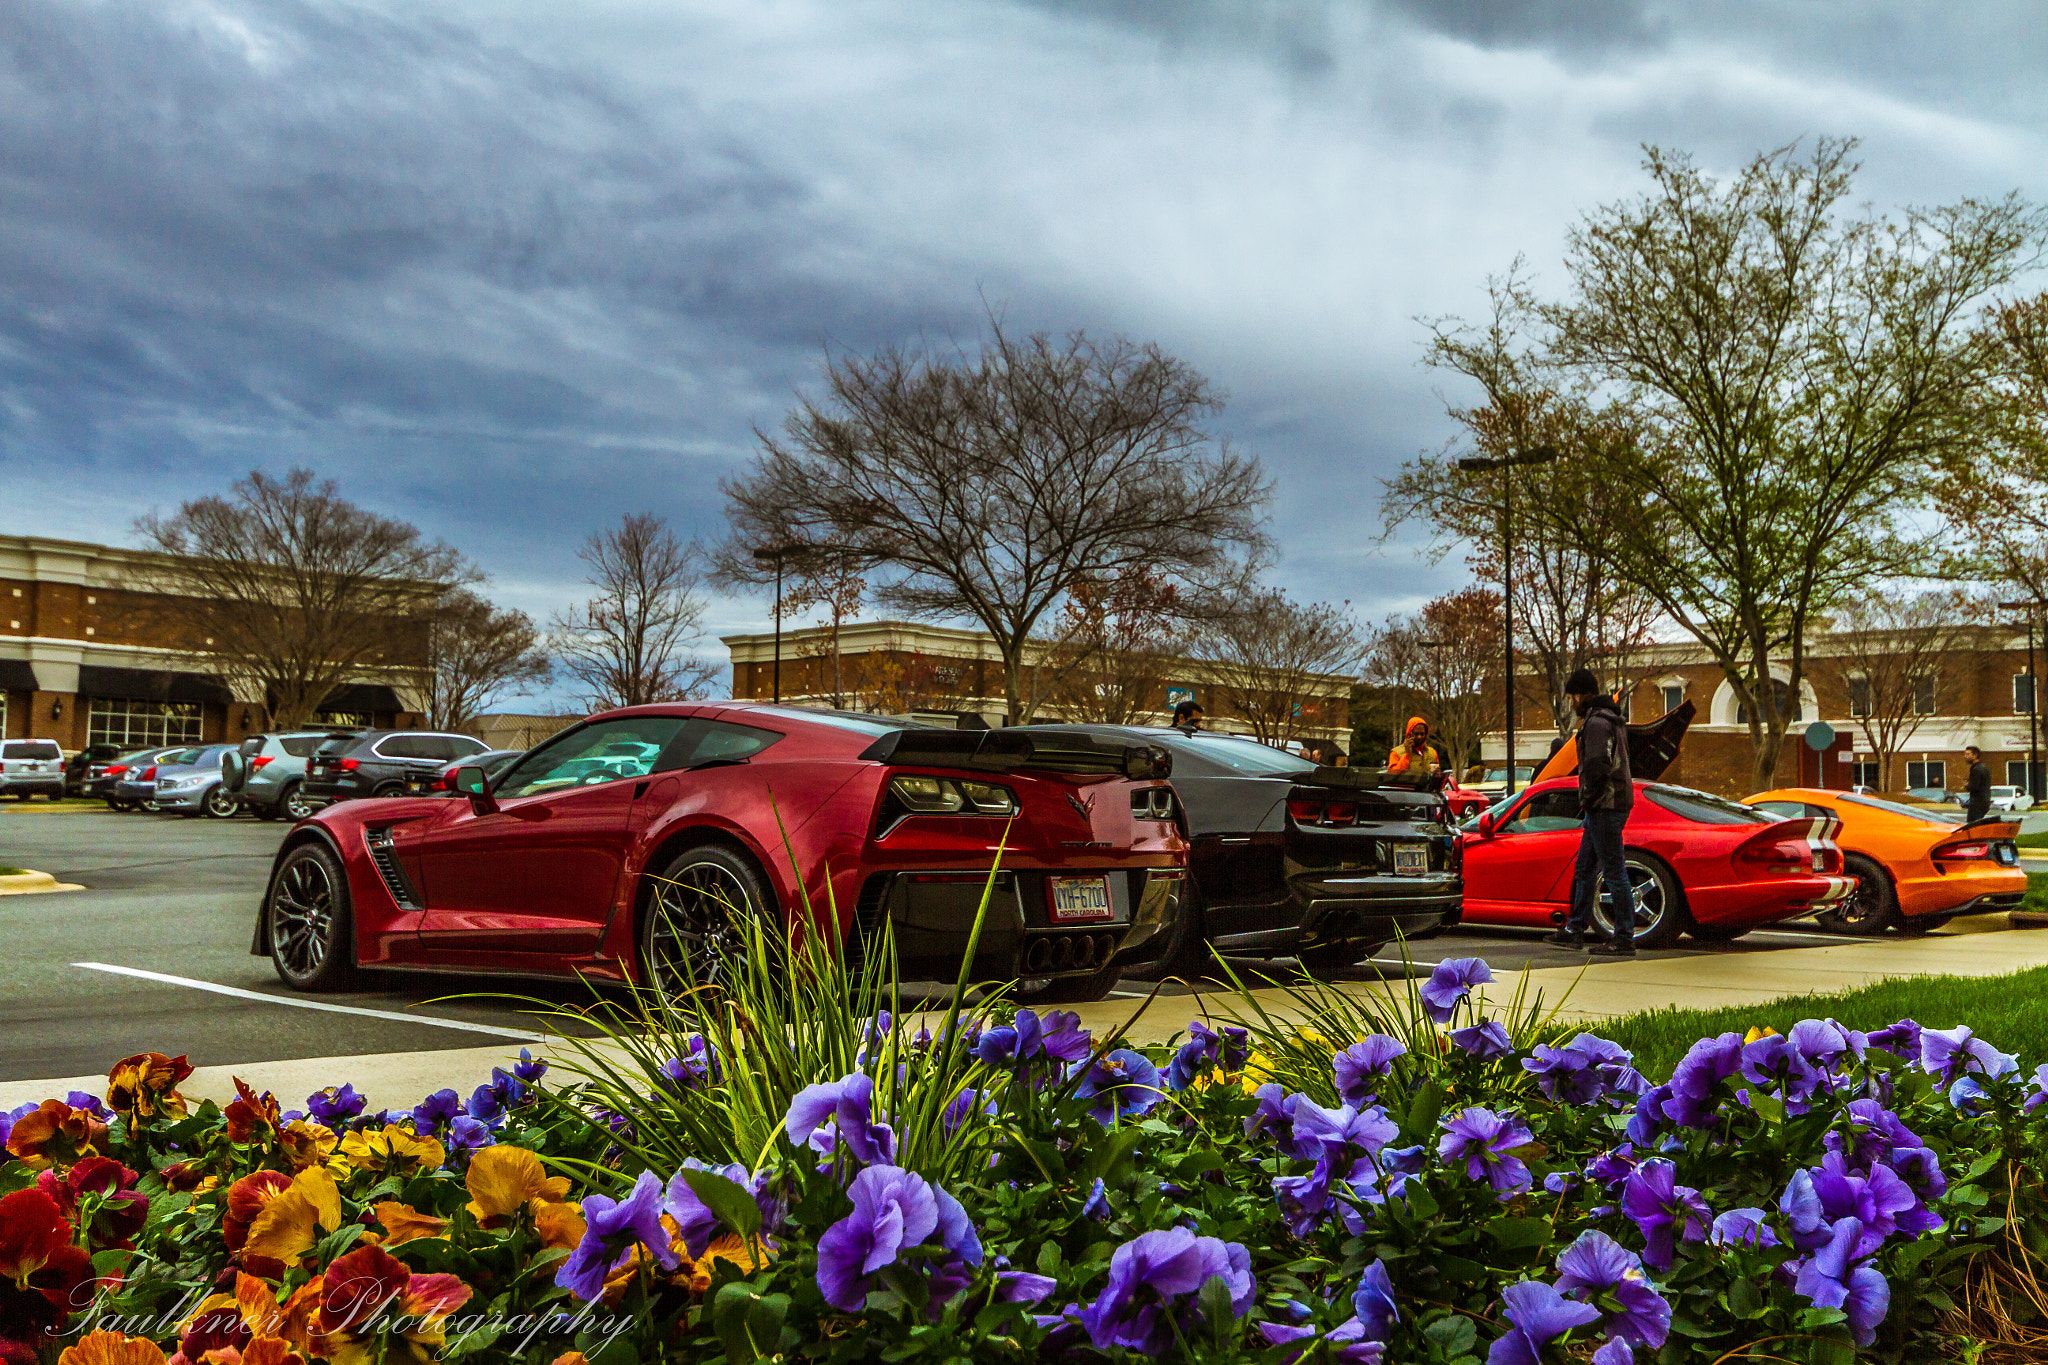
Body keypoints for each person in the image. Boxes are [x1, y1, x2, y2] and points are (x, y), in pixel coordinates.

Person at [1547, 669, 1637, 956]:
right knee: (1584, 868)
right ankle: (1575, 928)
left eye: (1572, 696)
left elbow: (1597, 765)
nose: (1571, 702)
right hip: (1607, 805)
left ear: (1582, 693)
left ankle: (1624, 938)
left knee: (1613, 870)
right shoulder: (1609, 719)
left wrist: (1587, 798)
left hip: (1605, 806)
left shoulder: (1597, 723)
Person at [1964, 746, 1991, 824]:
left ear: (1975, 755)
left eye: (1968, 754)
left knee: (1972, 826)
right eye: (1965, 754)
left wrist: (1967, 785)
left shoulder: (1976, 770)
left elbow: (1974, 787)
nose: (1965, 756)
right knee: (1978, 824)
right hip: (1985, 802)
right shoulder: (1984, 768)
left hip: (1977, 804)